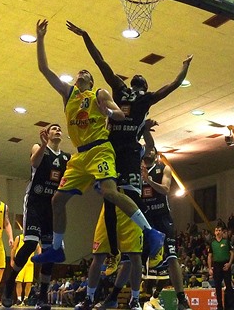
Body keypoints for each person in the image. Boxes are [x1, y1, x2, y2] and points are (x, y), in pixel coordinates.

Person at [31, 19, 164, 265]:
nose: (82, 73)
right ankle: (58, 248)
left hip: (100, 149)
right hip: (80, 156)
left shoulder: (98, 94)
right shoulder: (68, 93)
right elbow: (44, 69)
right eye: (80, 72)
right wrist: (40, 39)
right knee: (57, 200)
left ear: (91, 82)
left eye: (87, 73)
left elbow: (120, 113)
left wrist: (108, 112)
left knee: (110, 193)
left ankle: (151, 232)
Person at [66, 21, 192, 274]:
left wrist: (86, 36)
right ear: (143, 86)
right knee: (114, 199)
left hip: (119, 150)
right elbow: (173, 84)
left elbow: (101, 62)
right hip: (117, 150)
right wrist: (184, 68)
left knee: (119, 199)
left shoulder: (126, 90)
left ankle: (133, 248)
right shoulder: (138, 95)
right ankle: (122, 251)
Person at [2, 124, 70, 310]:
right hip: (35, 203)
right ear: (47, 134)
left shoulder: (66, 158)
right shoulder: (38, 147)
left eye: (59, 129)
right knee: (31, 243)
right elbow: (34, 163)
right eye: (53, 129)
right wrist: (42, 144)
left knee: (51, 251)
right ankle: (9, 283)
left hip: (52, 208)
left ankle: (42, 297)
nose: (57, 131)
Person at [138, 142, 191, 310]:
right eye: (146, 149)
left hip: (162, 217)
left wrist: (149, 181)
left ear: (156, 153)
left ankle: (181, 298)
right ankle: (138, 298)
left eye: (151, 149)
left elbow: (166, 189)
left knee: (172, 257)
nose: (149, 152)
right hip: (144, 218)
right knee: (138, 259)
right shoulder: (136, 169)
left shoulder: (164, 168)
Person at [208, 224, 234, 310]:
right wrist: (209, 268)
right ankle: (220, 306)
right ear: (214, 232)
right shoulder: (212, 243)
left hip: (225, 264)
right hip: (216, 265)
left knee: (228, 285)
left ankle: (230, 306)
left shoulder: (226, 241)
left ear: (222, 231)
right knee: (217, 286)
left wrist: (229, 264)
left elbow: (232, 253)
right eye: (216, 230)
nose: (218, 232)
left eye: (219, 230)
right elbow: (209, 256)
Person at [12, 234, 40, 306]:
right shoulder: (18, 237)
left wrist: (39, 256)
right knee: (19, 281)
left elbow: (38, 247)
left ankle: (26, 298)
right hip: (20, 262)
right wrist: (12, 260)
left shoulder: (33, 238)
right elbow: (14, 249)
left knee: (29, 282)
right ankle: (19, 299)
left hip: (30, 263)